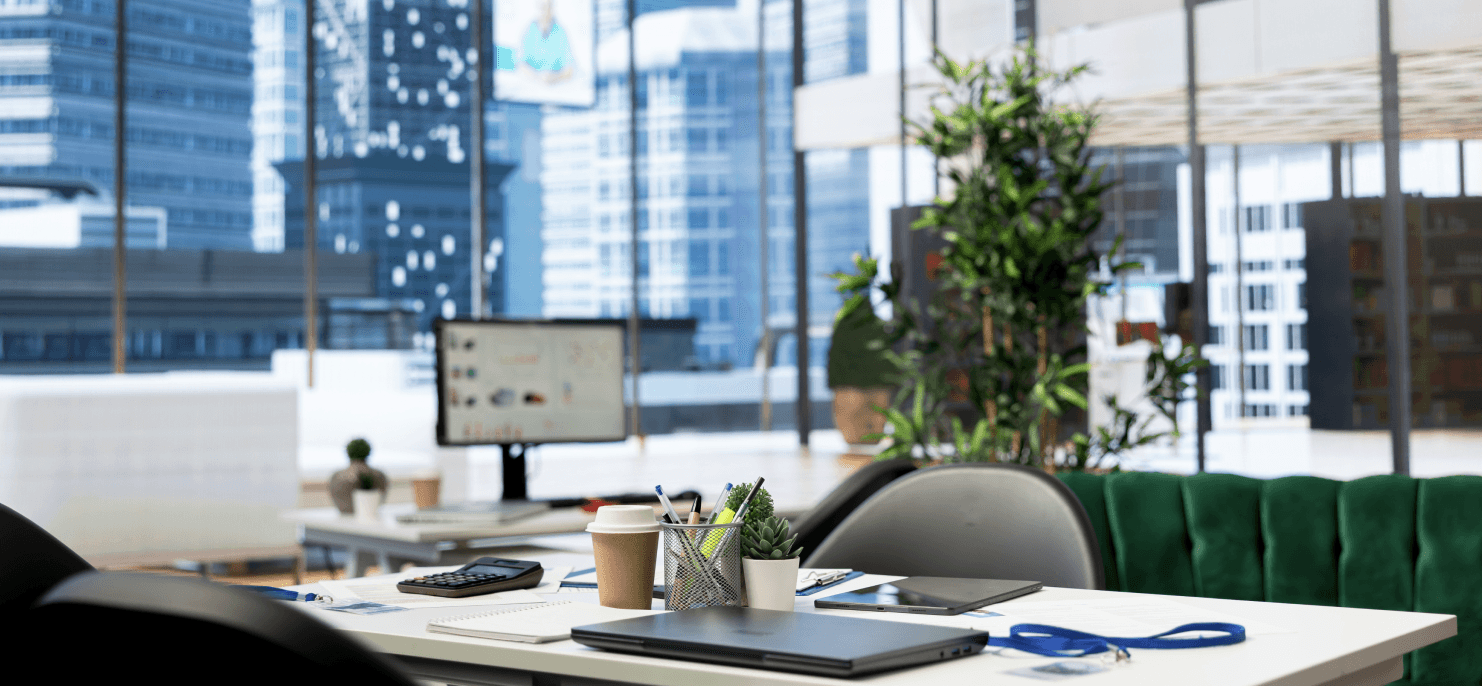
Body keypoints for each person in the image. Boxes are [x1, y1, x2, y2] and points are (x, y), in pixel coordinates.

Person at [521, 0, 574, 83]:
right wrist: (537, 77)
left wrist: (555, 78)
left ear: (552, 9)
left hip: (556, 86)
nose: (545, 11)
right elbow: (520, 64)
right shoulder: (529, 30)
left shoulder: (560, 32)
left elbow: (569, 69)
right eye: (542, 7)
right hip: (532, 84)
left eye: (548, 7)